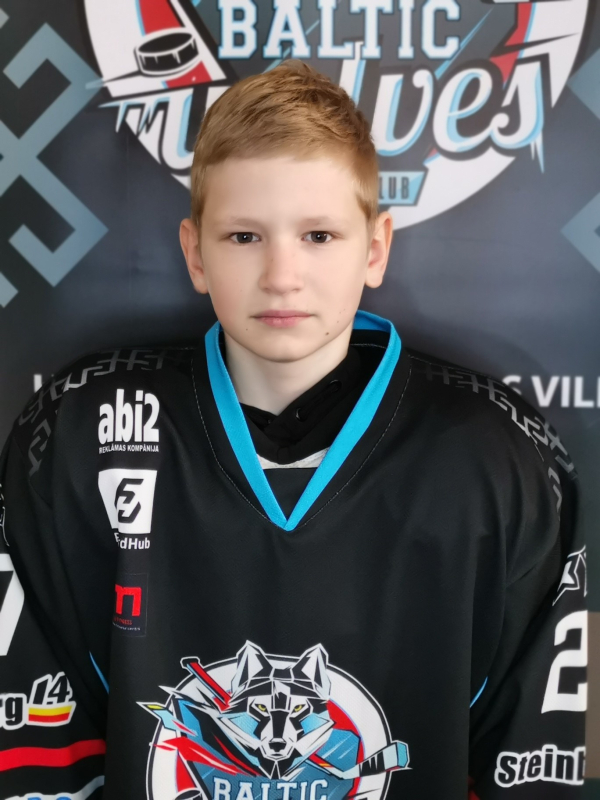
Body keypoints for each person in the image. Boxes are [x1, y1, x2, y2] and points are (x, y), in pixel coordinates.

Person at [0, 61, 586, 800]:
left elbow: (542, 753)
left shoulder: (500, 458)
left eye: (318, 234)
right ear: (195, 253)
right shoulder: (76, 436)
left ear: (375, 249)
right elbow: (35, 738)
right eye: (245, 235)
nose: (282, 275)